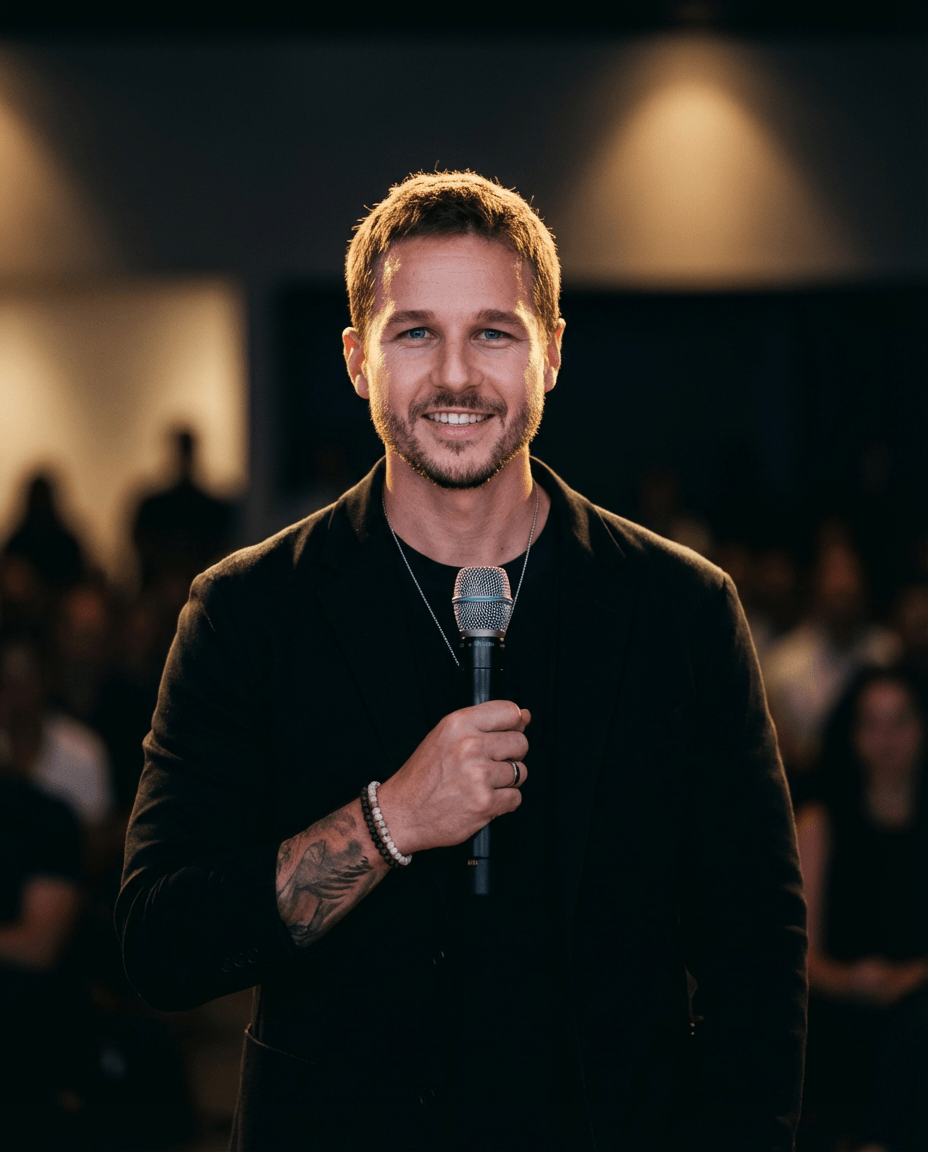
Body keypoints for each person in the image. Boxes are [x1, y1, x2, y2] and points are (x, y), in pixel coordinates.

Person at [117, 172, 807, 1151]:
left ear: (551, 354)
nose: (454, 376)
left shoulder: (680, 611)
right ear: (357, 361)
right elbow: (162, 943)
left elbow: (756, 951)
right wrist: (390, 820)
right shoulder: (249, 612)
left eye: (492, 333)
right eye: (414, 333)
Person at [796, 668, 928, 1152]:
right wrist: (850, 981)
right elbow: (800, 953)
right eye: (871, 723)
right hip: (836, 1004)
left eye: (900, 721)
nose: (886, 740)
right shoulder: (821, 823)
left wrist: (906, 980)